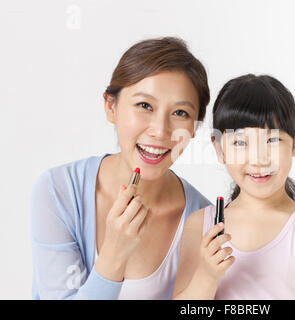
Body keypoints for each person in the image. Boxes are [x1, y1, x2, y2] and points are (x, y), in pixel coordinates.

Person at [30, 37, 212, 299]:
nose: (160, 131)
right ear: (111, 107)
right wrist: (114, 255)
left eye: (180, 113)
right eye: (144, 106)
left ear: (194, 128)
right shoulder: (58, 191)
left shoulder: (203, 221)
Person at [172, 74, 295, 299]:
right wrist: (206, 276)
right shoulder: (200, 227)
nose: (258, 159)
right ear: (219, 149)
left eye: (272, 140)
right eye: (240, 143)